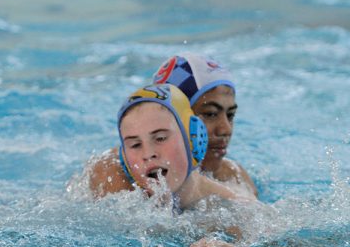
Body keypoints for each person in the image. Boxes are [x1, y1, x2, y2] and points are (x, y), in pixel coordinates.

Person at [85, 83, 253, 210]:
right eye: (135, 144)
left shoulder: (235, 206)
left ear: (193, 139)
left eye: (160, 138)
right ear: (124, 157)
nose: (148, 154)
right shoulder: (114, 201)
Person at [152, 53, 258, 197]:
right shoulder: (121, 173)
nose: (225, 130)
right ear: (172, 117)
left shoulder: (234, 176)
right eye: (211, 114)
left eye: (230, 115)